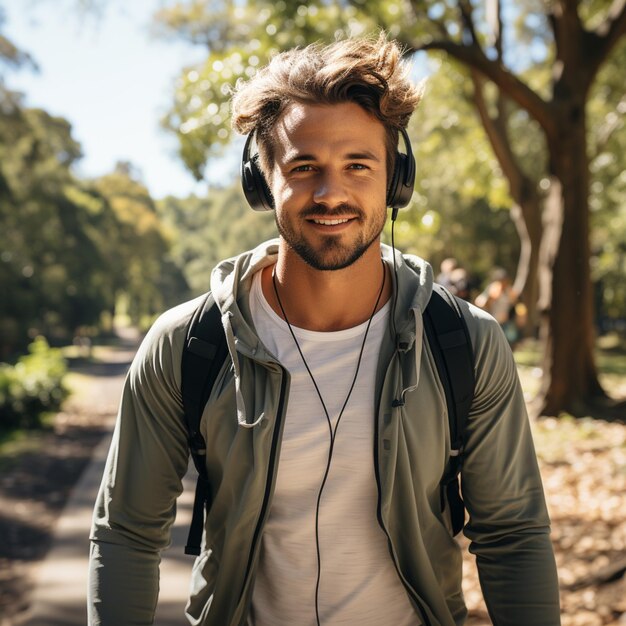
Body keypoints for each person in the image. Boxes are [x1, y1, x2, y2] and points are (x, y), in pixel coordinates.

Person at [88, 34, 560, 626]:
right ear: (262, 182)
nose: (330, 192)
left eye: (357, 165)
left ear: (396, 180)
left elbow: (513, 535)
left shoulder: (465, 343)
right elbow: (127, 534)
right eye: (303, 167)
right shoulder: (187, 344)